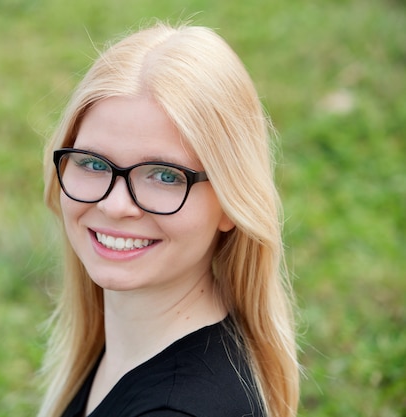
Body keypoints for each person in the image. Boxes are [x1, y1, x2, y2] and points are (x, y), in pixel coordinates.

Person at [38, 22, 299, 417]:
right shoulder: (133, 351)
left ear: (231, 203)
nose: (115, 205)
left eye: (164, 175)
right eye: (92, 163)